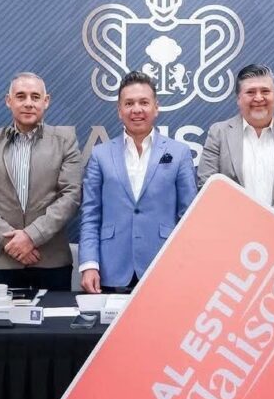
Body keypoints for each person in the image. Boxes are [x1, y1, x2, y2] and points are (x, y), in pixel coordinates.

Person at [79, 70, 197, 293]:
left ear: (156, 107)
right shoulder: (100, 154)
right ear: (119, 110)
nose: (136, 109)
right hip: (111, 269)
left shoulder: (179, 153)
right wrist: (89, 264)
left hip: (163, 266)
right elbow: (91, 215)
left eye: (144, 102)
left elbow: (189, 216)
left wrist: (185, 264)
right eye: (129, 103)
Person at [0, 73, 81, 291]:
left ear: (46, 101)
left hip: (51, 262)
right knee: (2, 315)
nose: (28, 103)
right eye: (21, 96)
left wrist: (31, 237)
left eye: (35, 97)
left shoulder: (65, 141)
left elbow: (71, 196)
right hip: (4, 260)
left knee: (54, 315)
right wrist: (12, 243)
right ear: (8, 100)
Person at [197, 64, 274, 222]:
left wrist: (270, 220)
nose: (259, 98)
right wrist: (245, 222)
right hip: (233, 228)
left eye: (265, 91)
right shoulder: (219, 133)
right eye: (250, 92)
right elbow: (208, 184)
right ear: (238, 98)